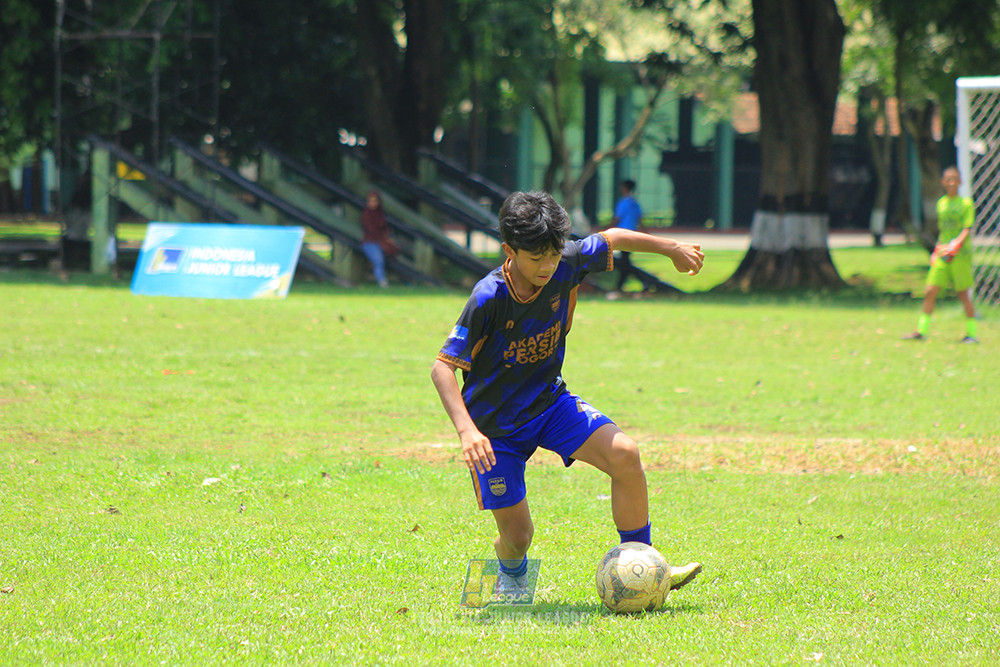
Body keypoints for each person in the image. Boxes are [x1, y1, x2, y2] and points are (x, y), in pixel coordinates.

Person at [430, 190, 706, 603]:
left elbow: (613, 238)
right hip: (494, 429)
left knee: (625, 455)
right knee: (519, 537)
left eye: (554, 256)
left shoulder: (567, 260)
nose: (547, 266)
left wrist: (671, 248)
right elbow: (442, 367)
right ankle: (509, 575)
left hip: (549, 403)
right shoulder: (488, 297)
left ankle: (645, 565)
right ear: (510, 250)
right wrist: (467, 432)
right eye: (536, 257)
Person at [903, 166, 978, 343]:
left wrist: (957, 244)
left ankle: (972, 333)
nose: (951, 182)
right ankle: (921, 331)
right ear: (943, 182)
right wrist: (937, 250)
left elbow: (967, 228)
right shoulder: (941, 203)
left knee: (962, 293)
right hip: (943, 253)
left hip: (960, 255)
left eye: (955, 179)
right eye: (948, 179)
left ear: (960, 182)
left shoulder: (966, 203)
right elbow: (943, 231)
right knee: (930, 290)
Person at [607, 179, 644, 299]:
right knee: (625, 260)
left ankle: (620, 286)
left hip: (622, 235)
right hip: (632, 235)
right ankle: (621, 285)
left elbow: (617, 218)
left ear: (625, 188)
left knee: (624, 262)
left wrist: (605, 229)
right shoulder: (635, 203)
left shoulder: (623, 202)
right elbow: (640, 220)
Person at [360, 191, 394, 288]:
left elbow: (386, 229)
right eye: (370, 201)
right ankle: (381, 280)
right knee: (378, 260)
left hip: (380, 242)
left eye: (375, 201)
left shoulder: (381, 214)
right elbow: (371, 230)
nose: (373, 203)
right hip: (370, 242)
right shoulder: (366, 215)